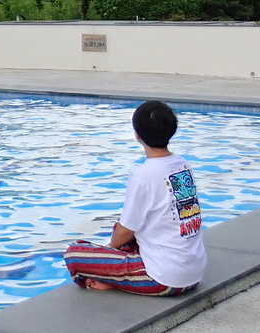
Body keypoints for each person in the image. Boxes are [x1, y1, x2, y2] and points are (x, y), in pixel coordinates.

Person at [64, 100, 206, 295]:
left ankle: (113, 280)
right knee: (123, 229)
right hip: (193, 273)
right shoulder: (183, 165)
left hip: (163, 279)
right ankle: (115, 279)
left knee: (74, 253)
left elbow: (126, 230)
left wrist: (110, 252)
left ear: (137, 135)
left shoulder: (143, 174)